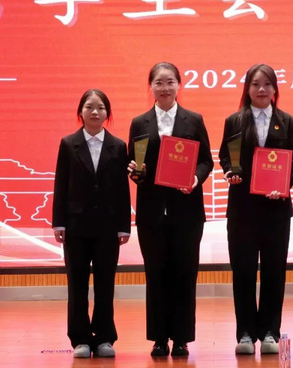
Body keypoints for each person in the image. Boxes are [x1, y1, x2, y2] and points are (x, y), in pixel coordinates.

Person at [127, 62, 213, 357]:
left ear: (179, 85)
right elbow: (134, 163)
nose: (164, 88)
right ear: (151, 86)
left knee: (185, 274)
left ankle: (182, 338)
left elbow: (206, 161)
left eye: (170, 82)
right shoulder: (140, 123)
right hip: (151, 213)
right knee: (156, 273)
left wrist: (195, 179)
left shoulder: (194, 120)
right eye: (159, 83)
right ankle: (159, 338)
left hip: (187, 212)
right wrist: (135, 173)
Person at [218, 63, 293, 355]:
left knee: (274, 272)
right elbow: (226, 157)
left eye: (267, 84)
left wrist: (284, 184)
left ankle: (269, 332)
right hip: (242, 209)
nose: (261, 89)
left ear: (275, 88)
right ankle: (245, 333)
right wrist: (230, 172)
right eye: (255, 84)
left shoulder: (287, 121)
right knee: (242, 271)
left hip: (276, 210)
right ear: (247, 89)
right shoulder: (234, 121)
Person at [52, 89, 132, 358]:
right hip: (76, 226)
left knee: (105, 283)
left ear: (108, 113)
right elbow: (61, 184)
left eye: (100, 107)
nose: (95, 112)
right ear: (81, 112)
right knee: (77, 284)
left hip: (108, 226)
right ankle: (80, 339)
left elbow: (122, 190)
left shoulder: (118, 146)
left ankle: (105, 337)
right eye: (89, 107)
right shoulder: (68, 144)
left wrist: (124, 225)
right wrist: (59, 223)